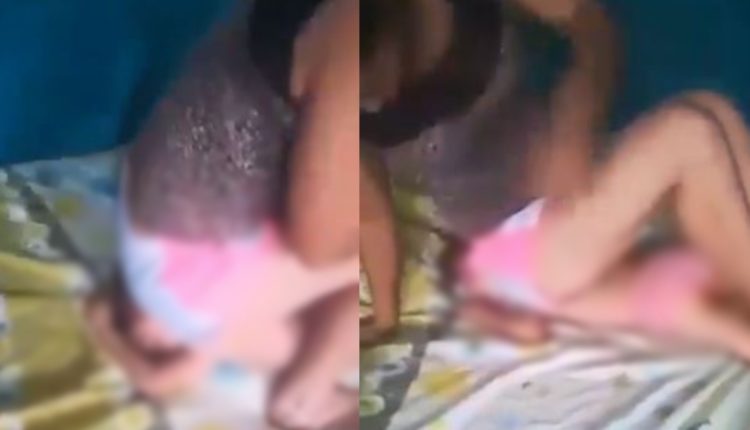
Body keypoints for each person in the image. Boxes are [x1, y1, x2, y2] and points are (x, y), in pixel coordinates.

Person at [89, 0, 359, 428]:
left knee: (327, 327)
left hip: (160, 244)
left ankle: (183, 333)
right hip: (190, 271)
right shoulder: (354, 27)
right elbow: (319, 246)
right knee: (377, 254)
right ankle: (304, 398)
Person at [360, 0, 616, 342]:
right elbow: (369, 212)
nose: (379, 101)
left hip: (550, 148)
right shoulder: (328, 84)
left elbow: (590, 18)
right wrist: (385, 317)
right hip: (486, 216)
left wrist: (580, 110)